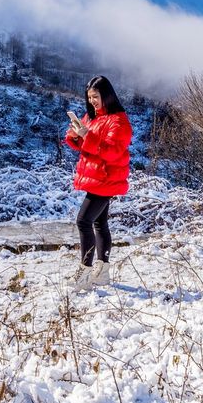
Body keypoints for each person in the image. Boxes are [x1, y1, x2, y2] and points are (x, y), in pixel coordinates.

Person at [64, 75, 132, 290]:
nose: (92, 100)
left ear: (107, 95)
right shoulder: (91, 117)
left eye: (96, 96)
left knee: (83, 221)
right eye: (89, 97)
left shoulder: (118, 121)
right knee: (99, 223)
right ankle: (101, 274)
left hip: (106, 178)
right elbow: (86, 146)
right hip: (96, 178)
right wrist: (76, 134)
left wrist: (88, 137)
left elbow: (112, 152)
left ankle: (84, 273)